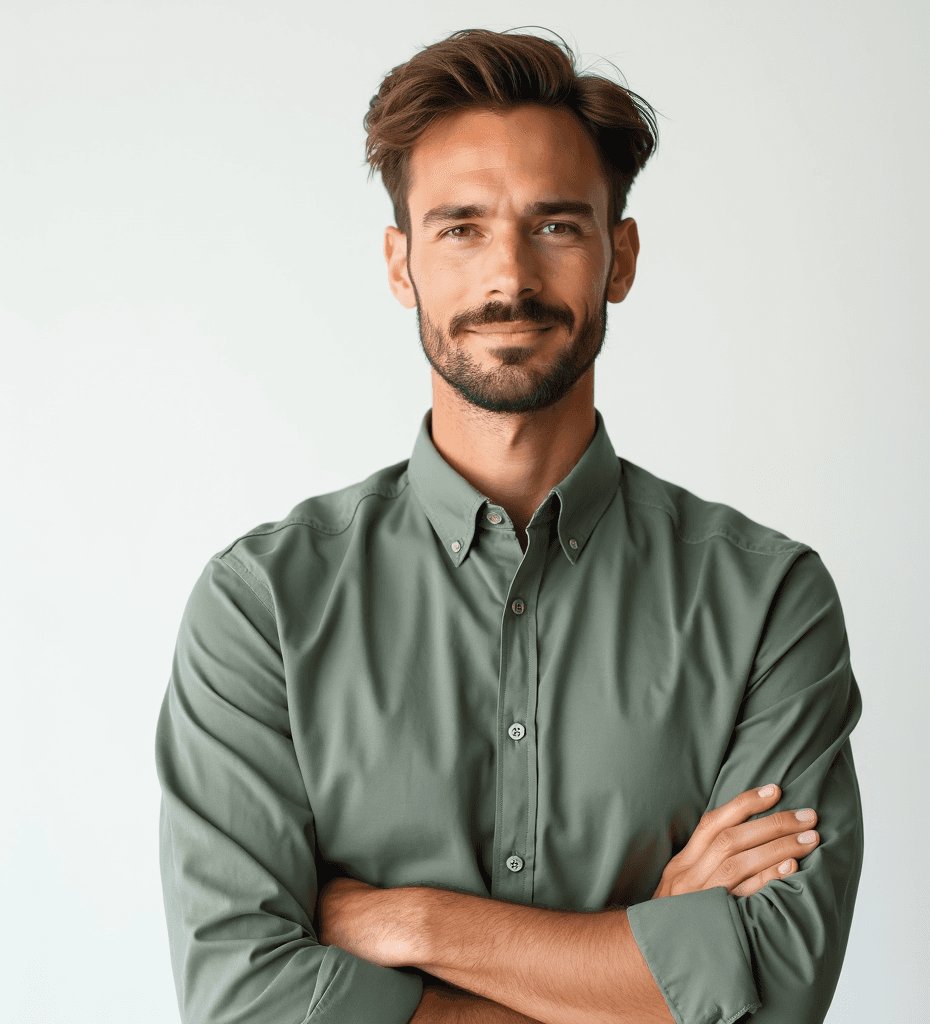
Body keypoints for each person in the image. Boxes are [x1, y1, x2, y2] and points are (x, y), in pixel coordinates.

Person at [156, 27, 863, 1024]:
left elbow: (772, 992)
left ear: (618, 256)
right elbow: (244, 1003)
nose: (509, 277)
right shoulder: (261, 606)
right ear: (400, 264)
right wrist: (647, 958)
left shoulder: (765, 602)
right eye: (460, 227)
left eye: (555, 225)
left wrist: (416, 926)